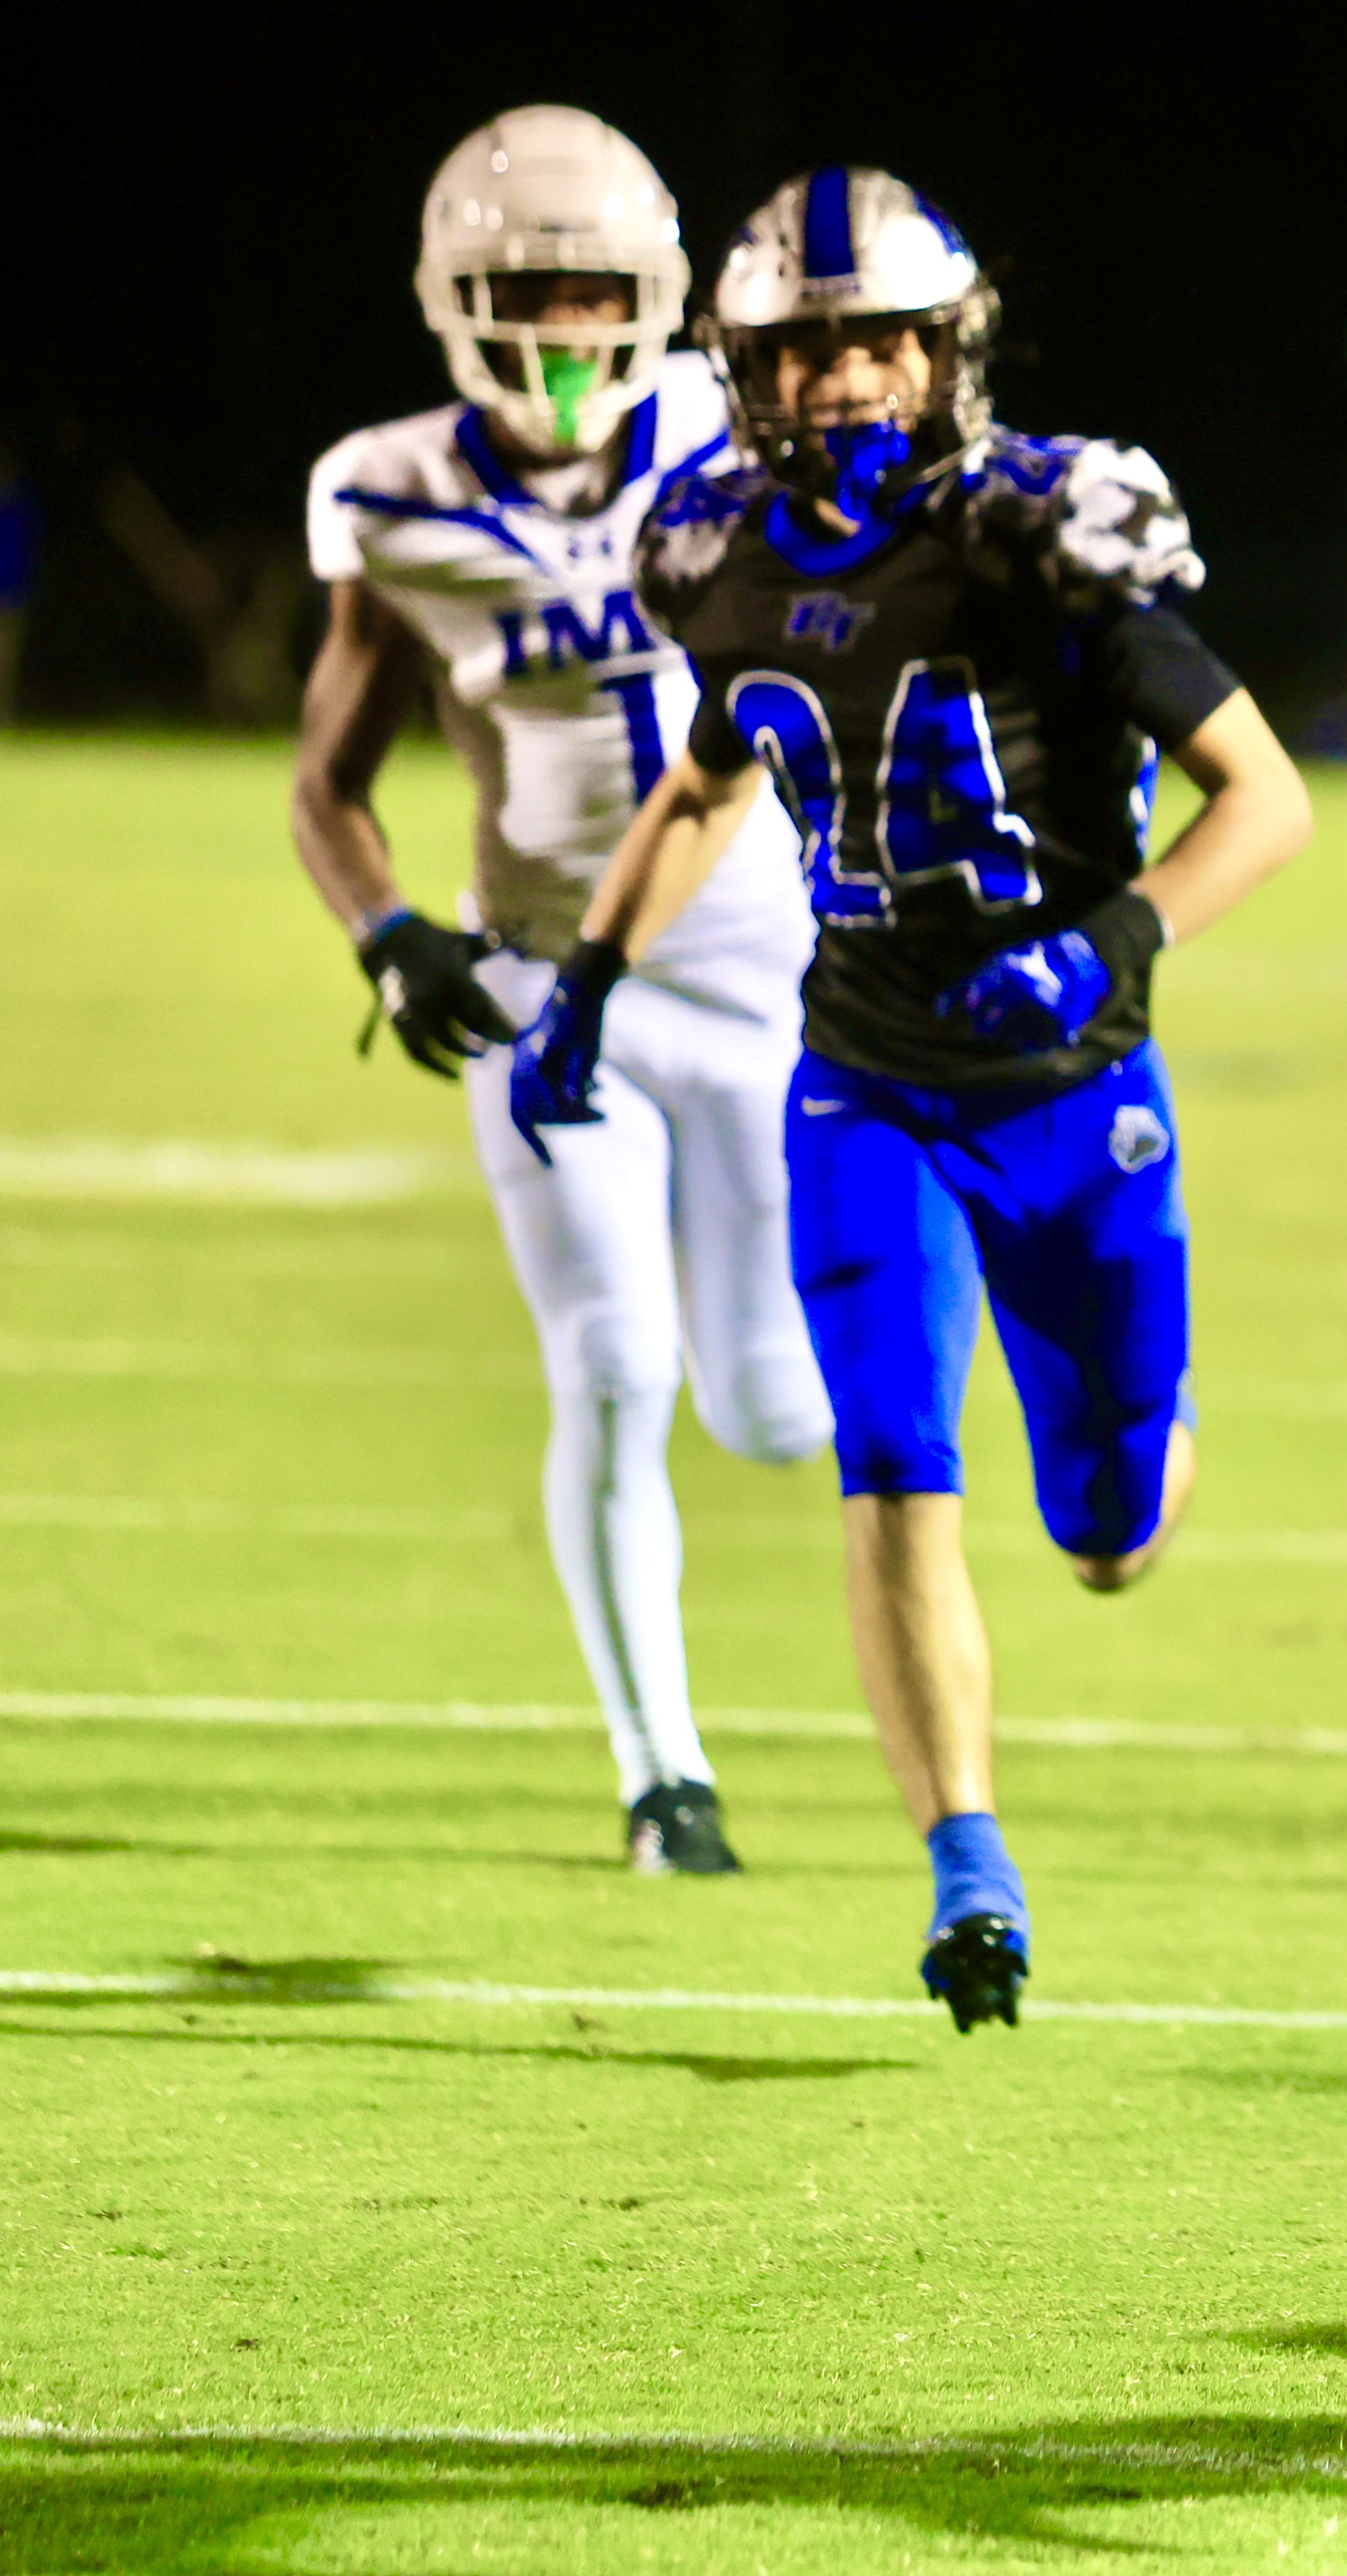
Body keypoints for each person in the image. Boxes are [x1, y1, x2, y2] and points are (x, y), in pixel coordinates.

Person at [534, 166, 1313, 2025]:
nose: (846, 379)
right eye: (804, 349)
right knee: (891, 1463)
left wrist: (1115, 937)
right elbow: (716, 773)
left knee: (1112, 1533)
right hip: (865, 1082)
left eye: (879, 338)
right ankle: (968, 1865)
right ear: (745, 368)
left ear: (946, 346)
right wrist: (592, 968)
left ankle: (1142, 1442)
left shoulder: (1046, 531)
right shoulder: (714, 547)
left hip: (1071, 1088)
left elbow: (1264, 797)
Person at [289, 107, 825, 1876]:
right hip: (539, 988)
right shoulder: (393, 491)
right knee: (611, 1364)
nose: (569, 331)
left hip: (763, 972)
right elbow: (330, 782)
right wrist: (386, 930)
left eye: (598, 293)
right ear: (456, 299)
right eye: (529, 292)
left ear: (659, 295)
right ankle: (662, 1773)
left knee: (774, 1409)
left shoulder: (735, 425)